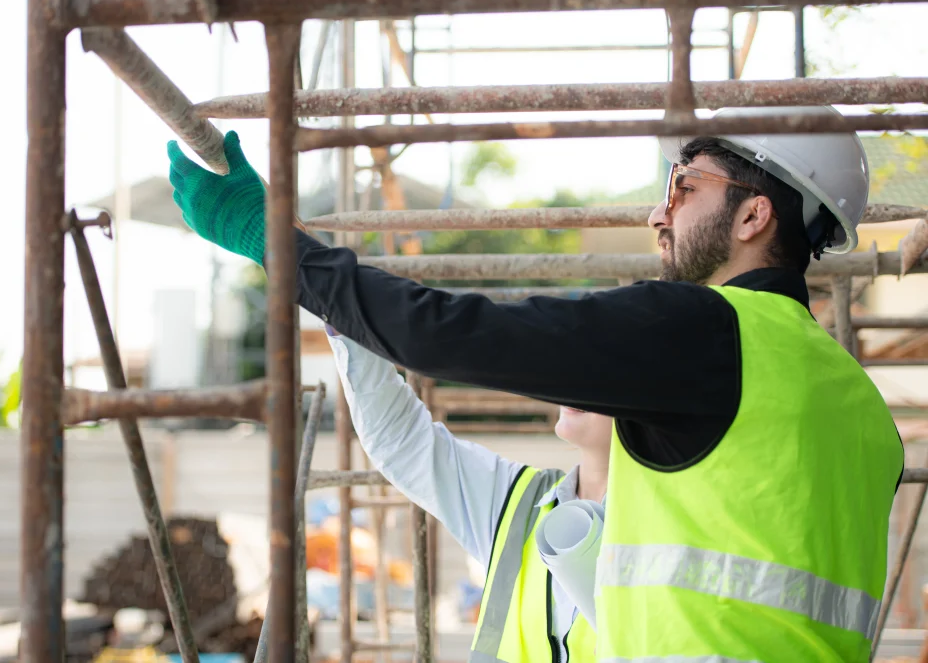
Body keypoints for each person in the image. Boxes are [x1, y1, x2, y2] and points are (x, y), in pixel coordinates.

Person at [167, 104, 904, 662]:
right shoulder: (861, 405)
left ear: (752, 213)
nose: (659, 212)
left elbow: (449, 330)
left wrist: (278, 242)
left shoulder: (706, 331)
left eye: (683, 185)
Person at [325, 321, 611, 662]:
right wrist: (342, 316)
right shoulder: (519, 503)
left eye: (603, 366)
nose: (576, 379)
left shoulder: (675, 522)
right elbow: (402, 441)